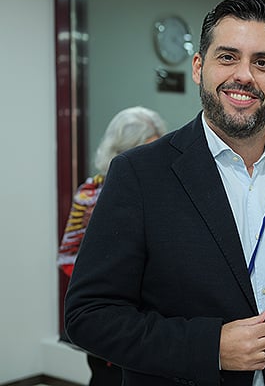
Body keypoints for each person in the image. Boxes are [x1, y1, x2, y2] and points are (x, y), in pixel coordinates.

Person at [65, 0, 265, 386]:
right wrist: (209, 346)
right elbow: (89, 316)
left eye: (262, 62)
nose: (245, 76)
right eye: (228, 57)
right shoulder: (139, 175)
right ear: (199, 67)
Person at [58, 105, 167, 386]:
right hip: (111, 325)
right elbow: (69, 257)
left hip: (153, 329)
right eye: (145, 150)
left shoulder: (164, 194)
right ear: (122, 150)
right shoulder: (92, 194)